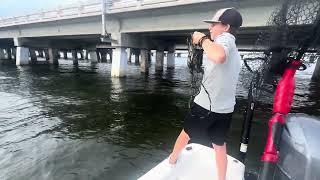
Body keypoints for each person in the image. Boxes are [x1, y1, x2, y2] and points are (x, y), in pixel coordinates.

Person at [169, 7, 243, 180]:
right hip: (225, 109)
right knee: (219, 144)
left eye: (213, 24)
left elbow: (218, 56)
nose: (210, 28)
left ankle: (172, 161)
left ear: (226, 27)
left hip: (205, 107)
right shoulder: (234, 49)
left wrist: (201, 39)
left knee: (186, 133)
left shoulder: (226, 40)